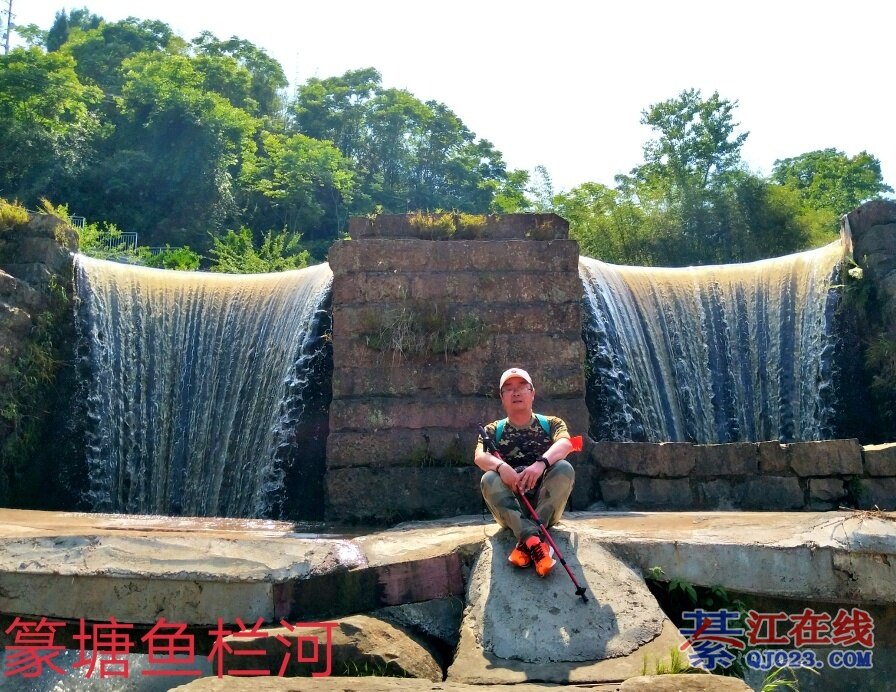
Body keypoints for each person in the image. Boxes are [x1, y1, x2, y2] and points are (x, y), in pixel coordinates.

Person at [474, 367, 575, 577]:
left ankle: (527, 539)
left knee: (564, 468)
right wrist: (502, 468)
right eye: (509, 389)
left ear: (532, 393)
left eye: (522, 387)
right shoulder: (492, 431)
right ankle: (535, 541)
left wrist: (541, 464)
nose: (516, 392)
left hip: (545, 507)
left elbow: (566, 444)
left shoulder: (552, 423)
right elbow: (480, 457)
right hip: (511, 510)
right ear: (502, 397)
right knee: (489, 478)